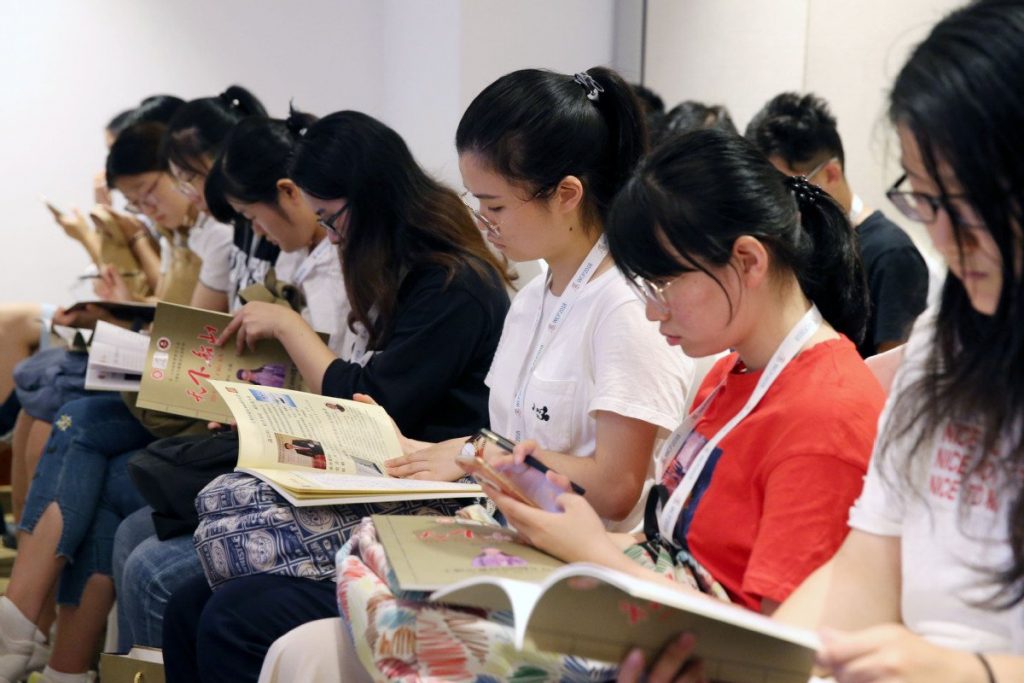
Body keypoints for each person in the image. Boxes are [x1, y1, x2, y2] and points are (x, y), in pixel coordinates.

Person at [625, 2, 1024, 681]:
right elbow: (865, 567)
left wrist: (972, 671)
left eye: (964, 201)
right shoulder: (944, 345)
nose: (944, 236)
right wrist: (746, 664)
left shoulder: (824, 396)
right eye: (925, 198)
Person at [262, 66, 694, 683]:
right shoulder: (536, 295)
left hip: (578, 568)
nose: (481, 221)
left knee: (260, 615)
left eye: (494, 205)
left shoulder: (625, 306)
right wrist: (412, 446)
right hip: (508, 534)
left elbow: (615, 487)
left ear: (567, 194)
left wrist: (475, 452)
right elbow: (510, 443)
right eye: (476, 201)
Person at [161, 109, 515, 683]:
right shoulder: (398, 268)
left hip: (428, 504)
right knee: (187, 603)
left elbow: (374, 398)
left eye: (331, 219)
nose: (330, 236)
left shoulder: (453, 284)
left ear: (372, 197)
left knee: (216, 606)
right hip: (388, 484)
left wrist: (288, 327)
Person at [0, 118, 232, 683]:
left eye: (153, 191)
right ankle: (52, 652)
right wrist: (123, 304)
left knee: (68, 417)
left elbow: (190, 335)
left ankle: (25, 621)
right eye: (138, 200)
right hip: (180, 398)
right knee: (58, 410)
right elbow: (177, 320)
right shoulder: (193, 233)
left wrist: (125, 280)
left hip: (197, 414)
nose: (149, 207)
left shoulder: (219, 235)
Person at [746, 91, 930, 356]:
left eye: (787, 188)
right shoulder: (791, 243)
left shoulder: (891, 253)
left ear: (831, 173)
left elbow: (893, 369)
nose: (776, 203)